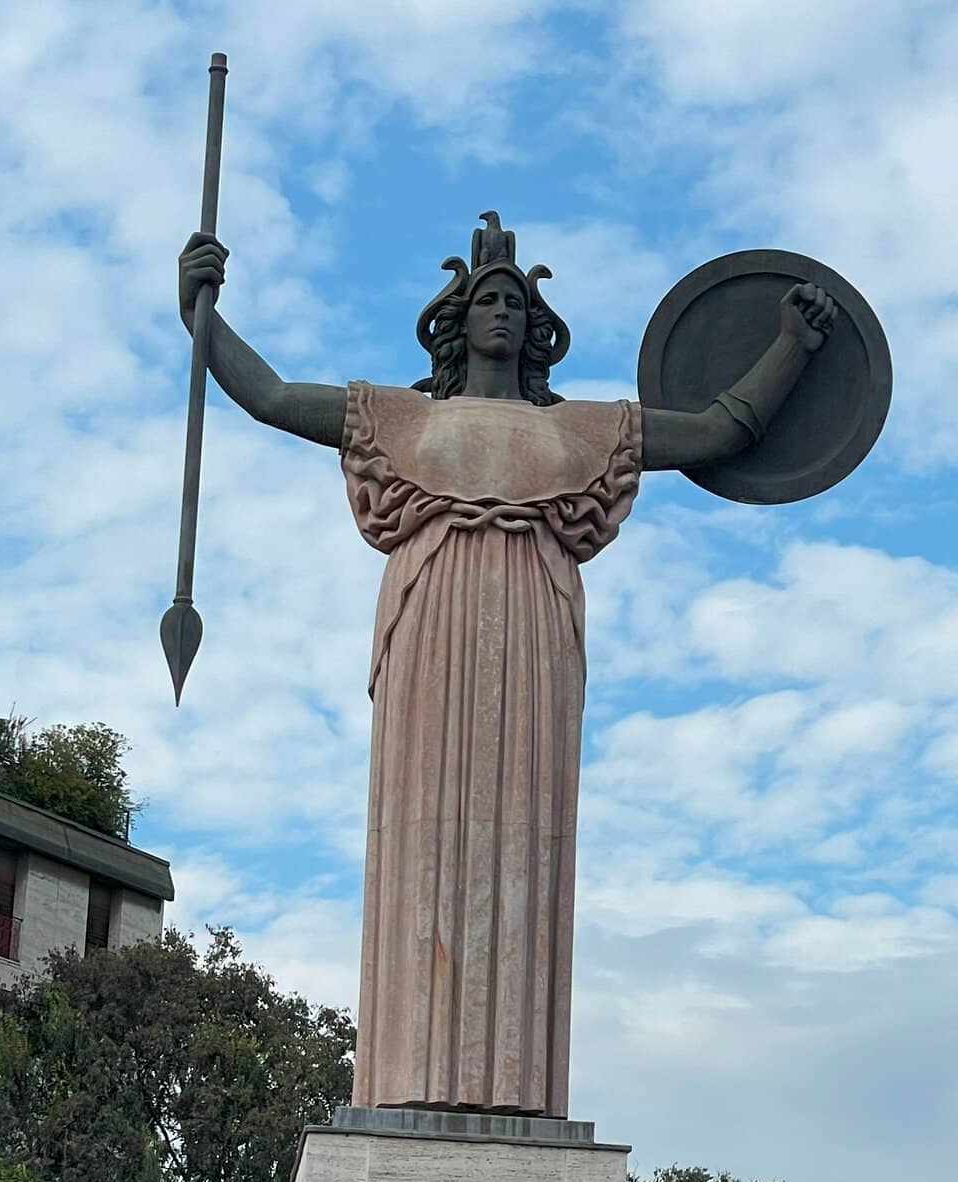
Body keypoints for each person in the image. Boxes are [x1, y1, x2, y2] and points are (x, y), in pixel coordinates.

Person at [178, 213, 834, 1117]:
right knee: (420, 826)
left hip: (532, 627)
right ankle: (407, 1077)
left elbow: (723, 432)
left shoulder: (585, 431)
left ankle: (517, 1087)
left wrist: (792, 343)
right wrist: (202, 315)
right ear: (455, 322)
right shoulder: (397, 418)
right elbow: (272, 396)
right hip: (432, 617)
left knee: (527, 831)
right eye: (487, 300)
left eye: (516, 305)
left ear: (536, 330)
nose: (501, 313)